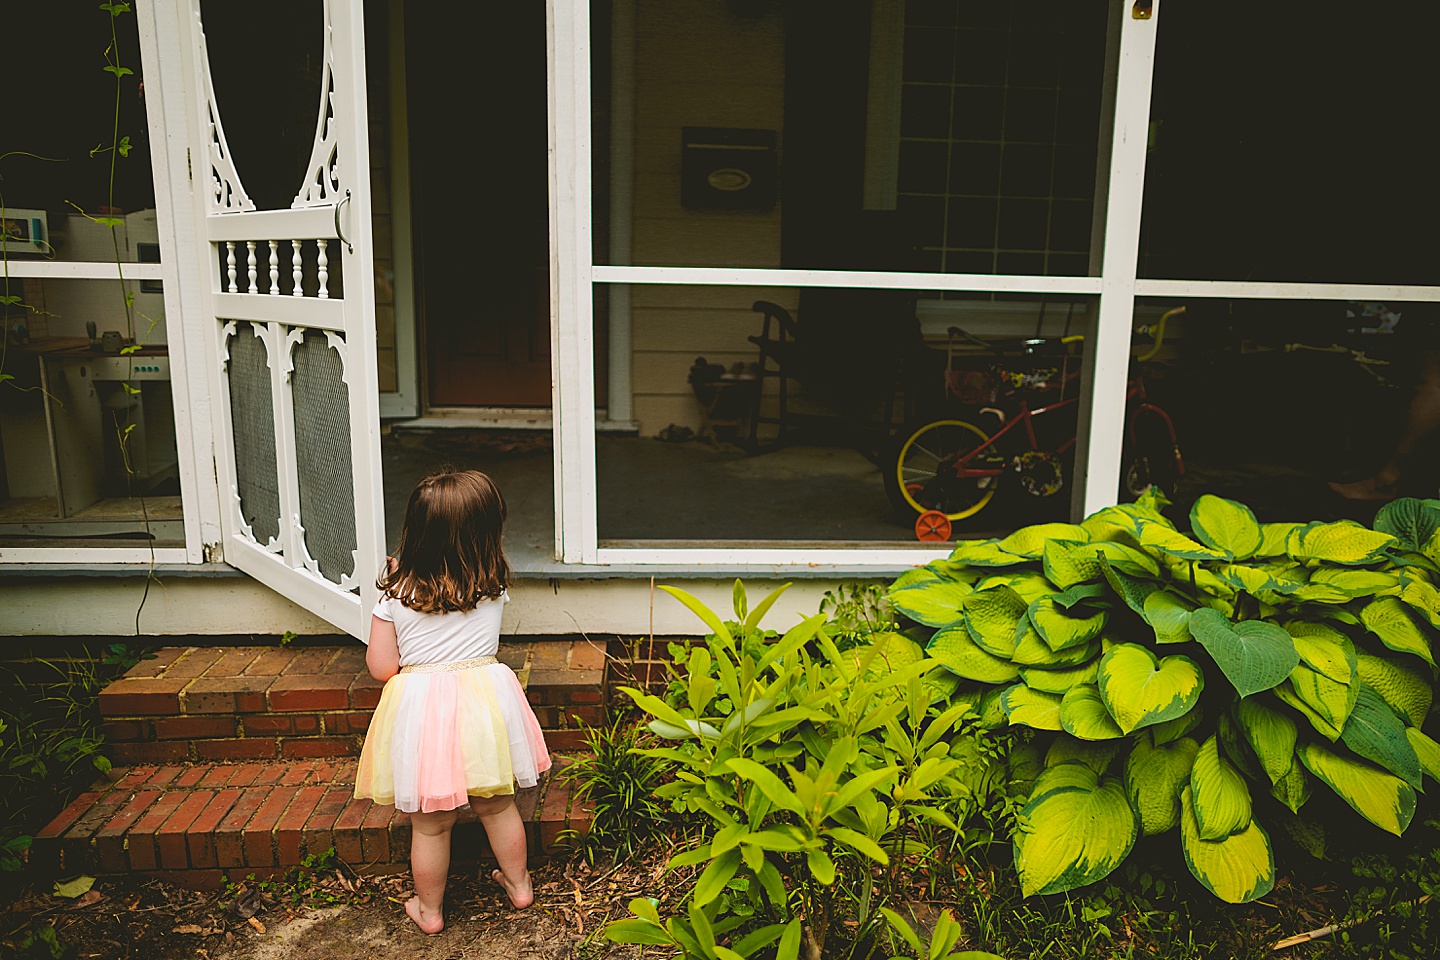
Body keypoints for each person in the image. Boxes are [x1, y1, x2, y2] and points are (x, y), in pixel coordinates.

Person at [353, 470, 551, 934]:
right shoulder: (493, 583)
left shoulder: (397, 589)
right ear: (487, 531)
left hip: (423, 706)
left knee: (431, 825)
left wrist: (394, 582)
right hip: (484, 698)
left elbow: (381, 667)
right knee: (499, 806)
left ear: (415, 530)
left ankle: (430, 911)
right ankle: (520, 885)